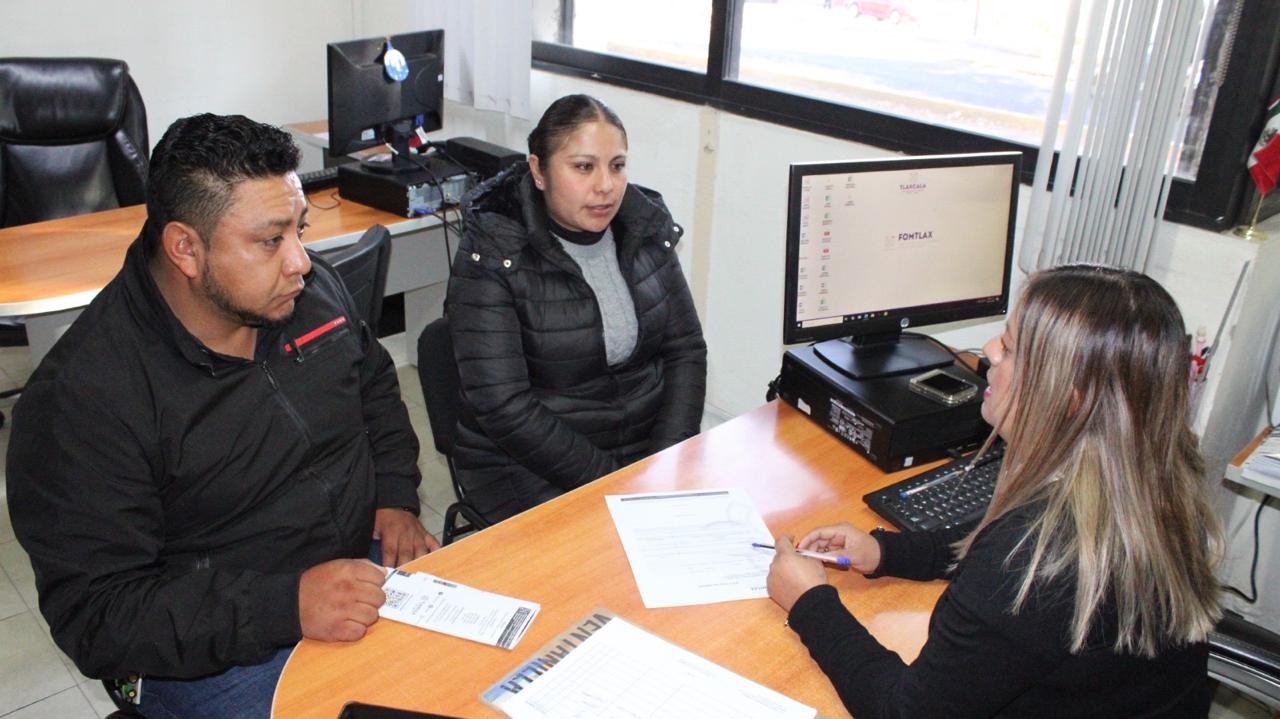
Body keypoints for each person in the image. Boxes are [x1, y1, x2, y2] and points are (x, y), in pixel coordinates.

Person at [5, 113, 439, 719]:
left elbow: (375, 387)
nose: (301, 262)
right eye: (270, 241)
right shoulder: (83, 398)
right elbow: (99, 616)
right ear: (185, 248)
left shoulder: (308, 294)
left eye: (299, 230)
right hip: (213, 649)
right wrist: (286, 605)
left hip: (350, 570)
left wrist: (393, 496)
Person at [766, 265, 1222, 717]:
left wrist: (810, 603)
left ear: (1068, 399)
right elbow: (988, 546)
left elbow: (904, 713)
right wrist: (886, 553)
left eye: (1010, 347)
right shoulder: (1150, 477)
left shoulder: (1031, 557)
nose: (988, 351)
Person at [445, 94, 707, 523]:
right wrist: (613, 483)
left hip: (640, 453)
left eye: (617, 166)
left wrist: (665, 461)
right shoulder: (494, 252)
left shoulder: (645, 229)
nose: (606, 185)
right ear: (539, 171)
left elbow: (686, 350)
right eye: (584, 167)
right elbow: (504, 406)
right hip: (527, 466)